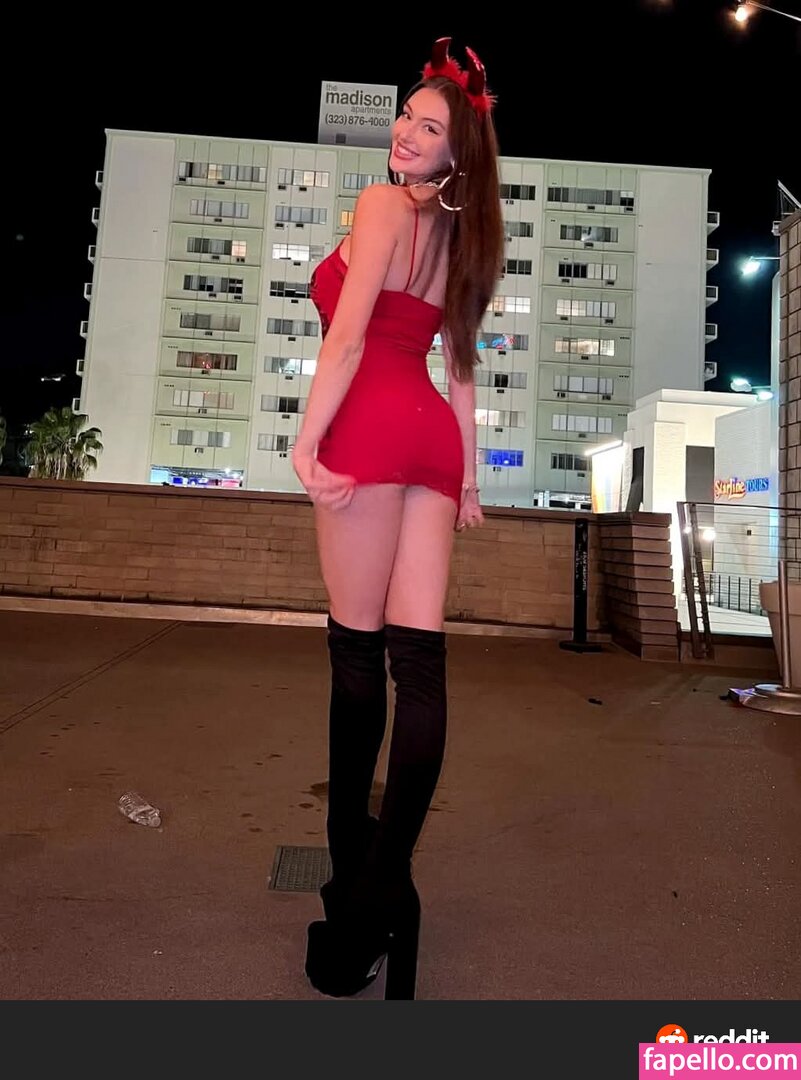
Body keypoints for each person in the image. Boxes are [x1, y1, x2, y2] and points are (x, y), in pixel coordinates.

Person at [292, 36, 503, 998]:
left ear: (458, 150)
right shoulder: (467, 239)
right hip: (429, 442)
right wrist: (467, 482)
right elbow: (459, 370)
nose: (406, 134)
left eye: (429, 127)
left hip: (370, 428)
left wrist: (306, 444)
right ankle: (387, 884)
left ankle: (356, 893)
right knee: (417, 663)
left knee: (355, 657)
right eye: (405, 117)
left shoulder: (381, 207)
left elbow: (344, 341)